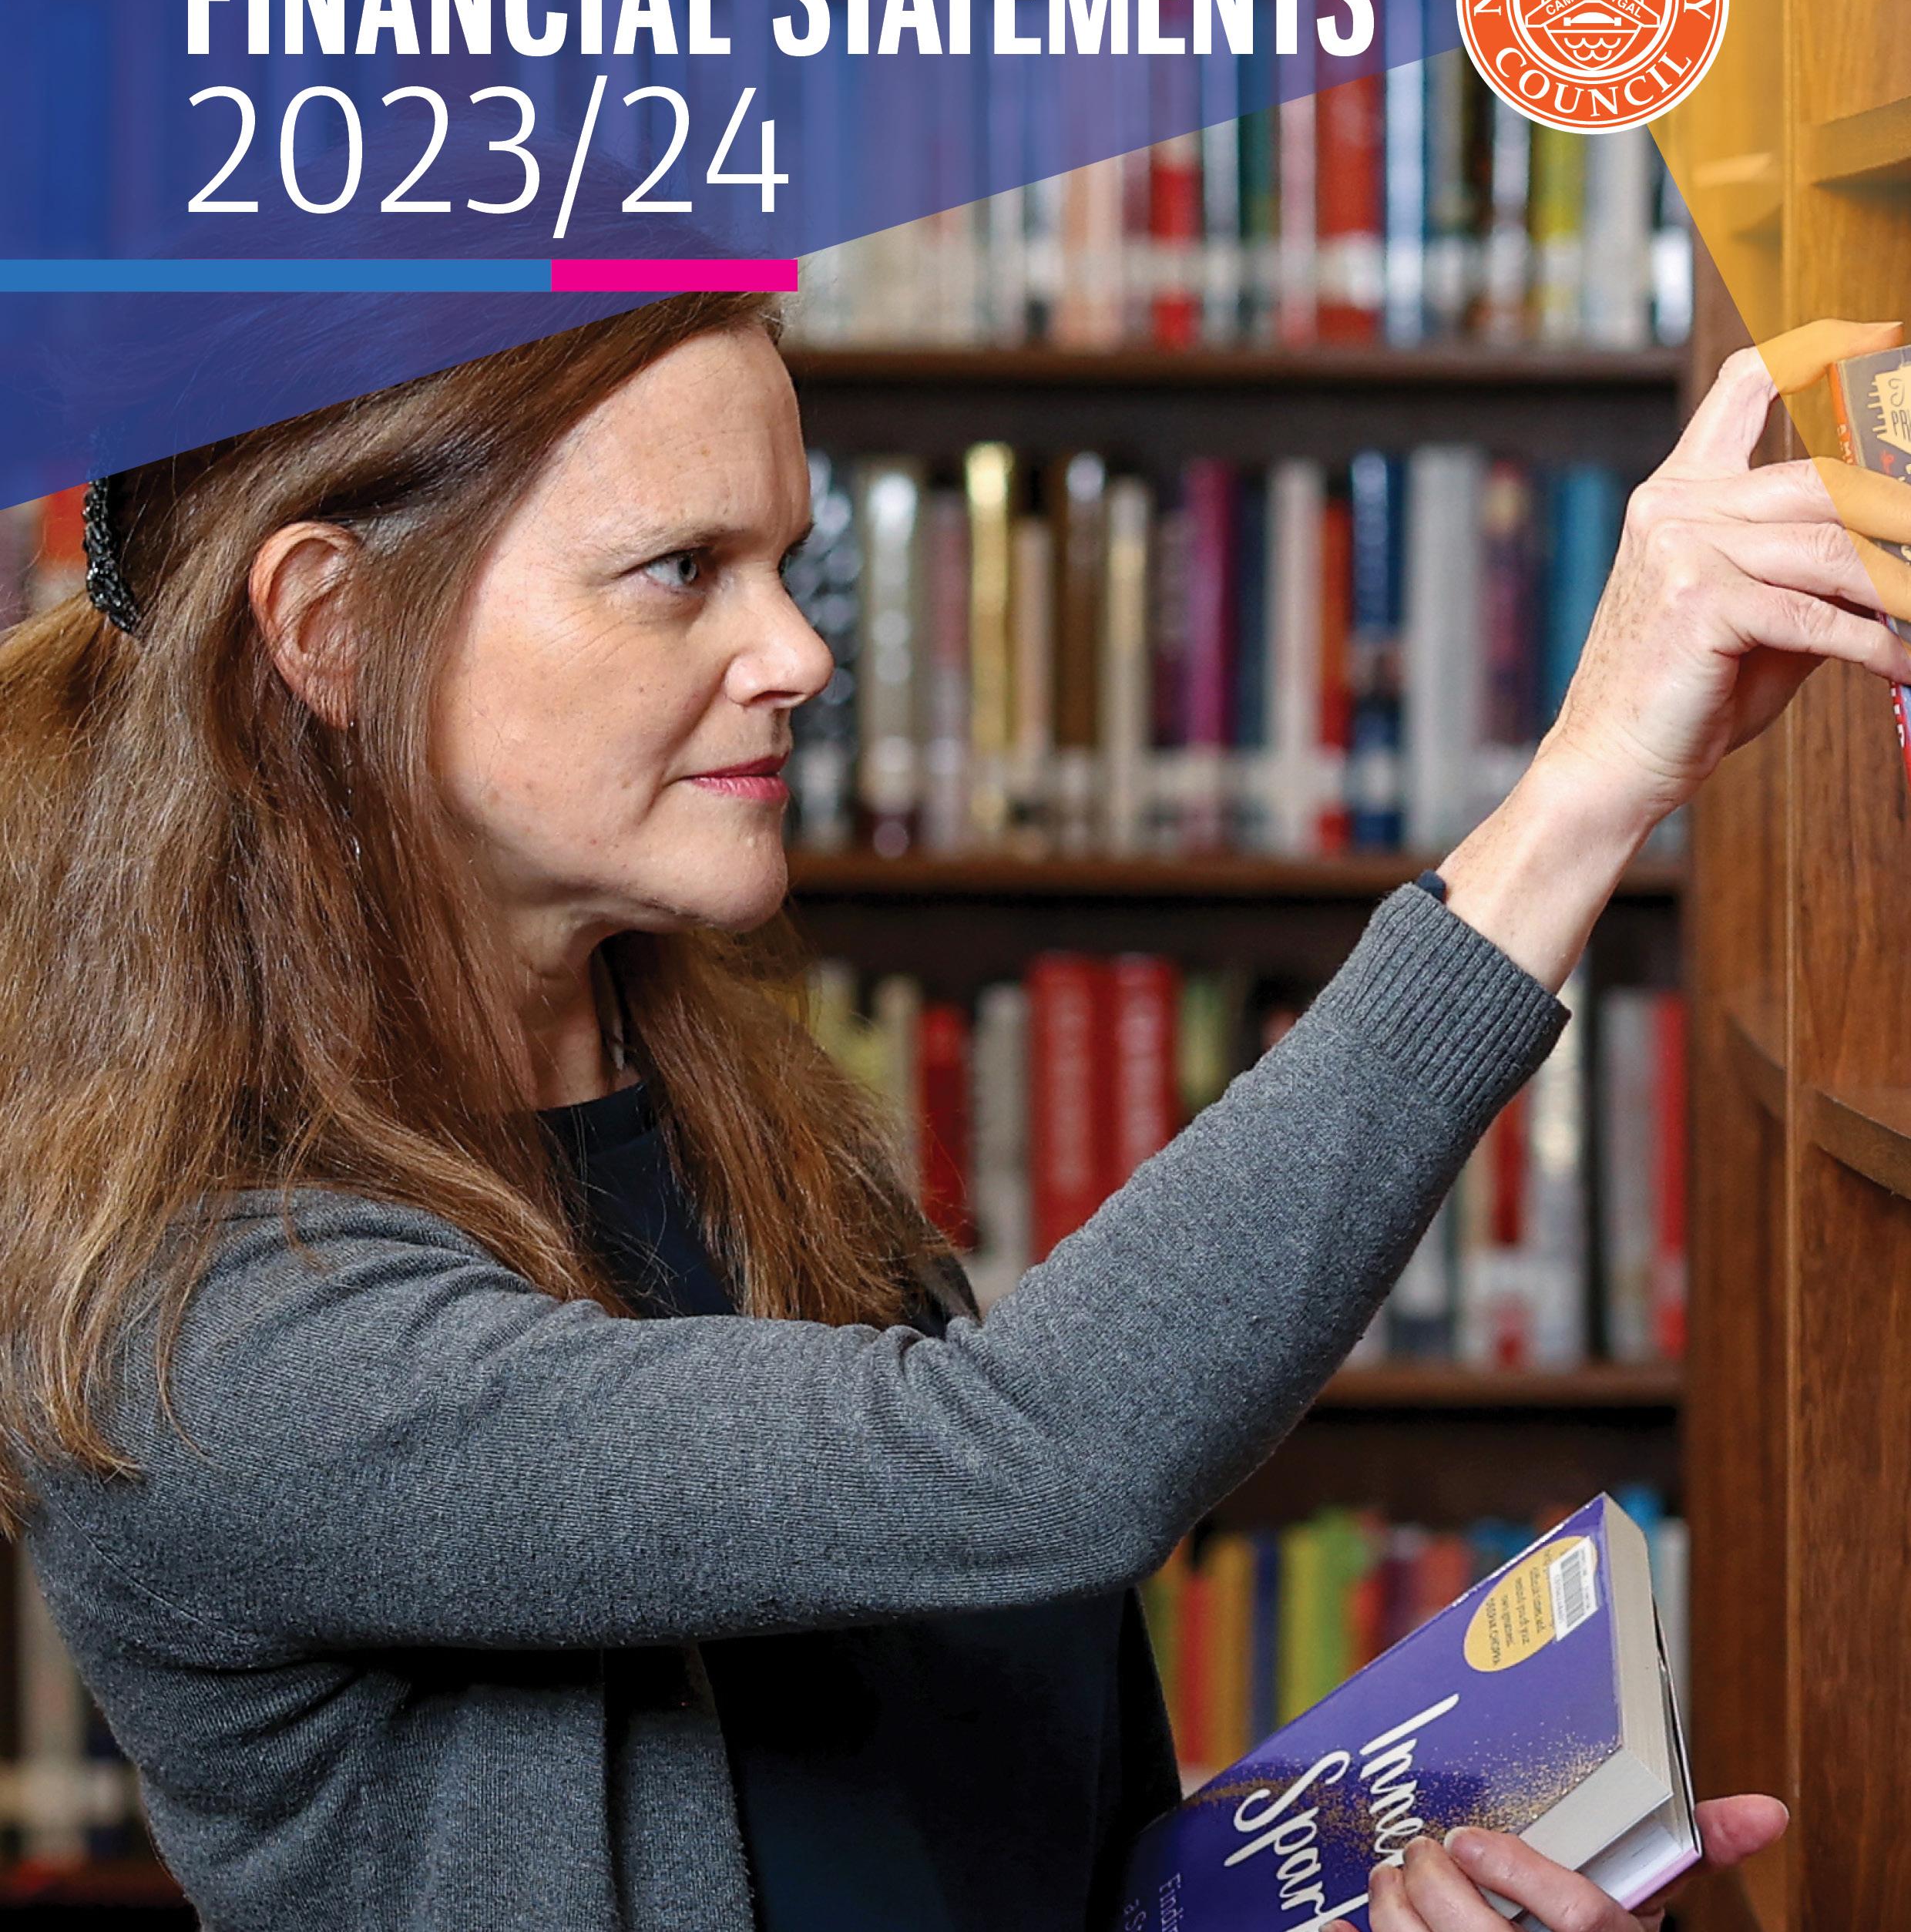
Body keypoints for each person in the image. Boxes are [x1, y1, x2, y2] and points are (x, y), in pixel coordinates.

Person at [0, 297, 1901, 1932]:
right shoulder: (207, 1335)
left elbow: (1005, 1848)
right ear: (328, 630)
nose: (801, 654)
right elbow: (1038, 1462)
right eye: (681, 570)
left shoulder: (741, 1128)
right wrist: (1579, 798)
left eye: (790, 561)